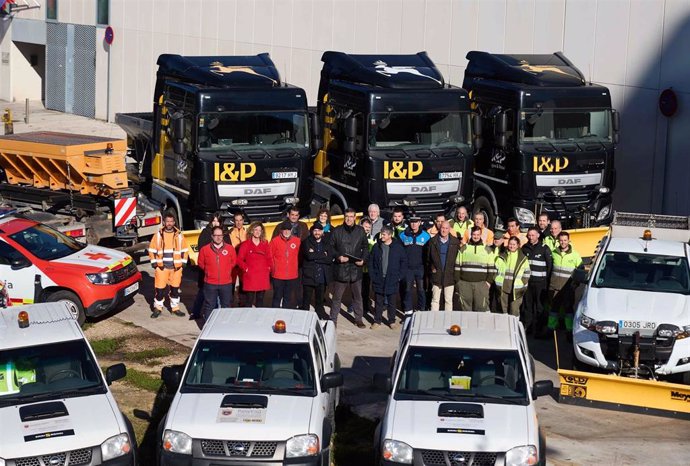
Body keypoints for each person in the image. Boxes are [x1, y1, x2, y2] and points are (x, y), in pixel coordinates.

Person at [329, 208, 369, 327]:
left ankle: (358, 319)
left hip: (356, 269)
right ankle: (333, 320)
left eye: (351, 216)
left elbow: (366, 247)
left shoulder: (360, 231)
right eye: (347, 216)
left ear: (355, 218)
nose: (349, 219)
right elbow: (331, 248)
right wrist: (338, 257)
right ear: (344, 217)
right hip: (341, 269)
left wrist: (363, 260)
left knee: (358, 297)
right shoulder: (337, 231)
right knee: (337, 297)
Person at [148, 212, 189, 318]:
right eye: (167, 221)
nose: (169, 223)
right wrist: (154, 263)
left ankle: (175, 308)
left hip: (176, 268)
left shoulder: (179, 235)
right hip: (162, 268)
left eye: (171, 221)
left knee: (175, 290)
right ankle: (158, 308)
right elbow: (152, 250)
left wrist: (183, 262)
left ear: (174, 222)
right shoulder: (158, 235)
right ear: (164, 222)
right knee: (160, 291)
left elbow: (185, 250)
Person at [369, 226, 408, 329]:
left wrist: (399, 277)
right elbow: (371, 262)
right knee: (378, 301)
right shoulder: (376, 247)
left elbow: (404, 263)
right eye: (381, 234)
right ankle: (377, 321)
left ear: (390, 235)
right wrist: (373, 275)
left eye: (384, 234)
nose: (382, 236)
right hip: (379, 278)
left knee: (391, 302)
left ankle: (391, 321)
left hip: (392, 278)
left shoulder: (398, 248)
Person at [197, 226, 237, 321]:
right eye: (216, 235)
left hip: (226, 283)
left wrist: (226, 271)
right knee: (209, 306)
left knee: (226, 306)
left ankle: (224, 328)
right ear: (212, 236)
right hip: (210, 283)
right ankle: (208, 328)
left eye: (220, 235)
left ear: (223, 236)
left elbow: (233, 262)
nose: (218, 237)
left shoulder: (230, 249)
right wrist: (209, 272)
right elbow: (201, 263)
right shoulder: (205, 249)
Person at [548, 231, 583, 333]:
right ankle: (551, 328)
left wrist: (575, 285)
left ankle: (569, 330)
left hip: (568, 288)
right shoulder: (553, 253)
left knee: (568, 309)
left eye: (565, 240)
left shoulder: (575, 255)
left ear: (569, 241)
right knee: (553, 309)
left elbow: (580, 271)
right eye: (561, 240)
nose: (563, 242)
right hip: (554, 287)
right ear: (558, 241)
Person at [189, 212, 222, 319]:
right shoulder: (205, 233)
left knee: (215, 295)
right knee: (203, 292)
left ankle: (214, 315)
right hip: (207, 271)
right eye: (214, 220)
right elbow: (202, 251)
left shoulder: (224, 233)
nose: (216, 222)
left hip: (220, 271)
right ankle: (197, 312)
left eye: (218, 220)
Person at [522, 227, 553, 337]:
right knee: (527, 306)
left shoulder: (545, 249)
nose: (530, 237)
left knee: (540, 307)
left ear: (538, 236)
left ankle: (540, 330)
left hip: (541, 284)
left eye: (533, 235)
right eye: (529, 235)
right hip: (528, 283)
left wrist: (547, 283)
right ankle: (528, 328)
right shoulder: (524, 248)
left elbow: (550, 267)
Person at [455, 226, 494, 312]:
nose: (476, 237)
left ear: (481, 235)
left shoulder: (487, 250)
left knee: (481, 308)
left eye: (478, 235)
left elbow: (491, 268)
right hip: (465, 283)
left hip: (481, 284)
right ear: (471, 235)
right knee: (465, 309)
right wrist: (458, 282)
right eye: (474, 234)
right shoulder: (464, 248)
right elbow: (457, 266)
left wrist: (488, 282)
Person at [398, 214, 431, 312]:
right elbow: (399, 251)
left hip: (420, 268)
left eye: (416, 222)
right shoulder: (403, 235)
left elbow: (429, 252)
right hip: (408, 268)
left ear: (420, 222)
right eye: (412, 222)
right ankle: (408, 310)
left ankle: (421, 309)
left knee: (421, 290)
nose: (414, 224)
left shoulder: (425, 235)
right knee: (407, 290)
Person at [301, 223, 334, 317]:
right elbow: (309, 256)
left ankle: (320, 316)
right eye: (315, 231)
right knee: (306, 300)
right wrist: (323, 254)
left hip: (321, 276)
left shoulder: (326, 242)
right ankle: (304, 318)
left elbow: (329, 259)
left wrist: (315, 255)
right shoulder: (306, 242)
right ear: (312, 231)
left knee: (319, 301)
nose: (317, 233)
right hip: (309, 276)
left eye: (319, 231)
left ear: (322, 232)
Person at [427, 221, 460, 311]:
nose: (444, 230)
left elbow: (458, 259)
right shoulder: (432, 242)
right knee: (435, 300)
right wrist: (432, 267)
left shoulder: (455, 242)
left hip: (450, 275)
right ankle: (434, 321)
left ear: (449, 229)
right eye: (442, 228)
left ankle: (447, 321)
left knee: (448, 300)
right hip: (436, 275)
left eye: (446, 228)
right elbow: (427, 259)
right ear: (439, 228)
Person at [237, 222, 271, 307]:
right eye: (256, 229)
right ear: (251, 231)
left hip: (262, 276)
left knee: (260, 300)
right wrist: (246, 269)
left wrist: (268, 268)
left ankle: (259, 319)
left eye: (260, 230)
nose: (258, 232)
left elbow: (269, 258)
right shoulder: (245, 244)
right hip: (250, 277)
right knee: (249, 301)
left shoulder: (265, 243)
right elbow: (239, 260)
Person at [495, 236, 531, 317]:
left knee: (514, 310)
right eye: (510, 244)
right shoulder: (502, 256)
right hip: (503, 287)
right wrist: (496, 278)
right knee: (503, 309)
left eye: (514, 244)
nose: (512, 246)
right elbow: (496, 269)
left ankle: (514, 327)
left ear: (518, 245)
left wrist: (522, 282)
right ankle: (504, 327)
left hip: (516, 288)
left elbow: (527, 272)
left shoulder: (522, 258)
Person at [269, 221, 301, 308]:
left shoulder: (297, 241)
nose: (286, 232)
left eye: (288, 230)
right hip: (278, 275)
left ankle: (285, 315)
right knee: (277, 297)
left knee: (288, 298)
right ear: (281, 230)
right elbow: (270, 256)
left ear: (291, 230)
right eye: (284, 230)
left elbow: (300, 255)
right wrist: (273, 269)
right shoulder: (275, 241)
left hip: (291, 275)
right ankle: (275, 314)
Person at [228, 210, 247, 303]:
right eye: (236, 220)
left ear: (243, 220)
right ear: (234, 221)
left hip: (243, 261)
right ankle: (230, 301)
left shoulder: (247, 232)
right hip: (233, 261)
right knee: (231, 282)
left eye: (240, 220)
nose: (239, 222)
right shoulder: (230, 232)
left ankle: (242, 300)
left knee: (243, 281)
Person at [360, 217, 377, 317]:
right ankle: (355, 305)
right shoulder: (356, 237)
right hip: (357, 267)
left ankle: (366, 307)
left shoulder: (373, 239)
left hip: (367, 269)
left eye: (369, 227)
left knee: (366, 289)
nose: (367, 228)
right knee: (356, 289)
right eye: (365, 226)